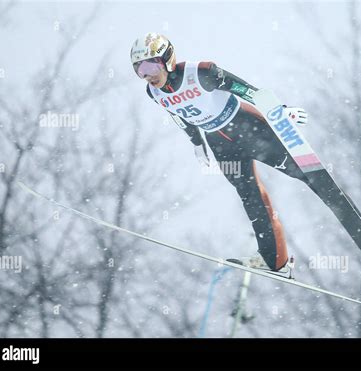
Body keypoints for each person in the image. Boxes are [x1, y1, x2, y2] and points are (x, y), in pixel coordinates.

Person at [131, 32, 310, 273]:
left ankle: (343, 205)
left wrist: (279, 111)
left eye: (150, 66)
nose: (147, 75)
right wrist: (197, 143)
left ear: (167, 59)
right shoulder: (154, 93)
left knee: (304, 172)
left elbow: (247, 90)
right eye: (139, 69)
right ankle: (275, 261)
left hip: (247, 129)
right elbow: (180, 116)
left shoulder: (202, 72)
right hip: (220, 145)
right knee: (250, 196)